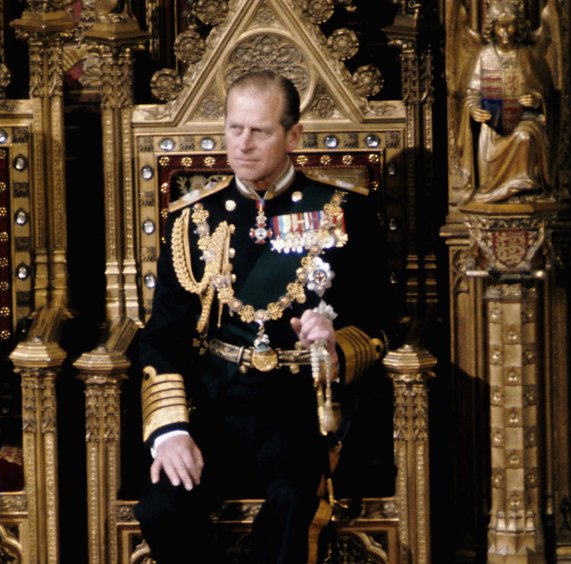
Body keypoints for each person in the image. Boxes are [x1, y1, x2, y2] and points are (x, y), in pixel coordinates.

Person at [134, 70, 389, 563]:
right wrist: (171, 430)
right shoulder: (191, 221)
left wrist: (336, 343)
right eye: (234, 129)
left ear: (293, 135)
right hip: (216, 404)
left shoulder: (345, 214)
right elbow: (163, 334)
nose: (243, 144)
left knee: (294, 503)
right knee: (161, 508)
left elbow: (379, 326)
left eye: (260, 131)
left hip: (299, 409)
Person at [456, 0, 555, 204]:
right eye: (500, 26)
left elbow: (540, 90)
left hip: (523, 118)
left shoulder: (525, 54)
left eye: (510, 25)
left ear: (518, 26)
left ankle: (524, 185)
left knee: (526, 136)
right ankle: (490, 189)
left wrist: (535, 99)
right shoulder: (484, 55)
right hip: (494, 120)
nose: (505, 32)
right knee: (487, 135)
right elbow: (472, 92)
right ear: (492, 27)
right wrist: (474, 109)